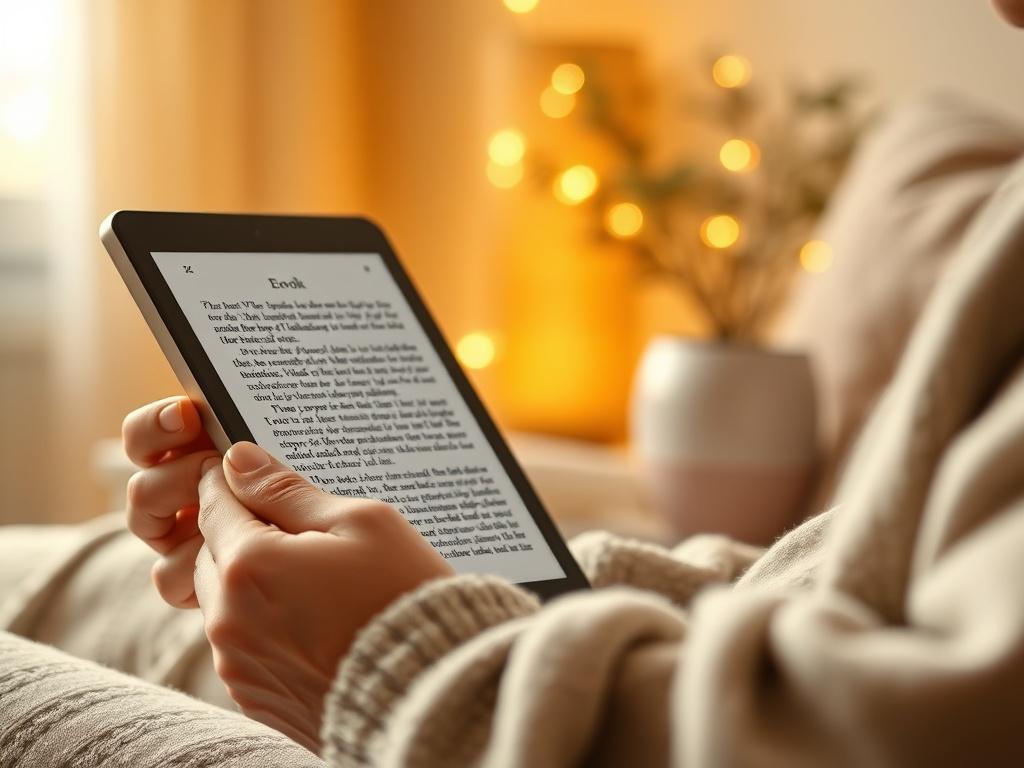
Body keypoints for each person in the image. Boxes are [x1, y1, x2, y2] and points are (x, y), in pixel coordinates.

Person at [2, 3, 1024, 765]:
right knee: (55, 567)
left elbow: (910, 730)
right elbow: (858, 584)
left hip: (463, 701)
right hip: (550, 652)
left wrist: (394, 653)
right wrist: (480, 583)